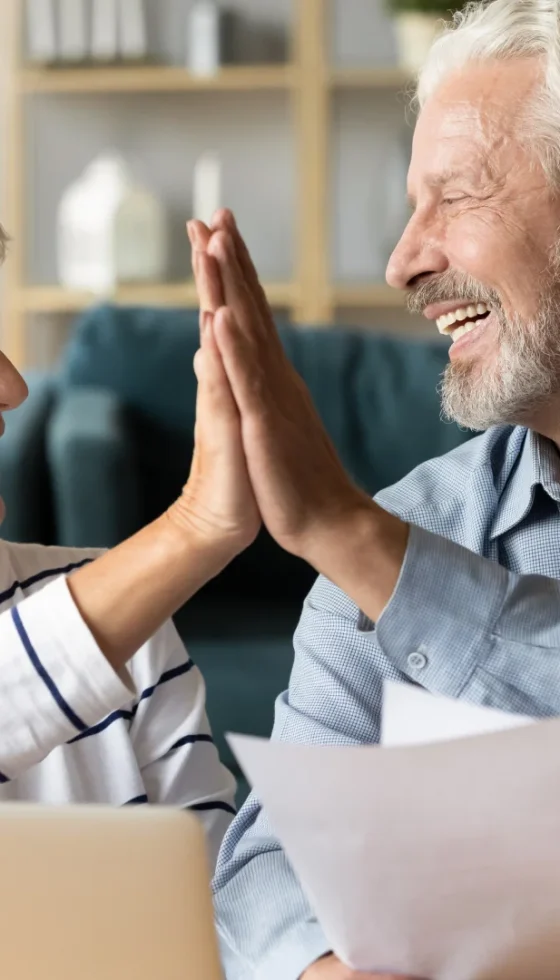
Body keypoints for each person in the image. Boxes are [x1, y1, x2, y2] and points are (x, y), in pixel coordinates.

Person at [184, 0, 560, 976]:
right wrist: (320, 969)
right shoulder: (415, 524)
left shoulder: (371, 544)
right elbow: (266, 865)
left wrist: (353, 539)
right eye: (408, 205)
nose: (402, 260)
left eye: (457, 197)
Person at [0, 219, 272, 867]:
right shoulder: (117, 611)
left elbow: (213, 920)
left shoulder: (130, 621)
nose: (12, 387)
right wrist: (192, 531)